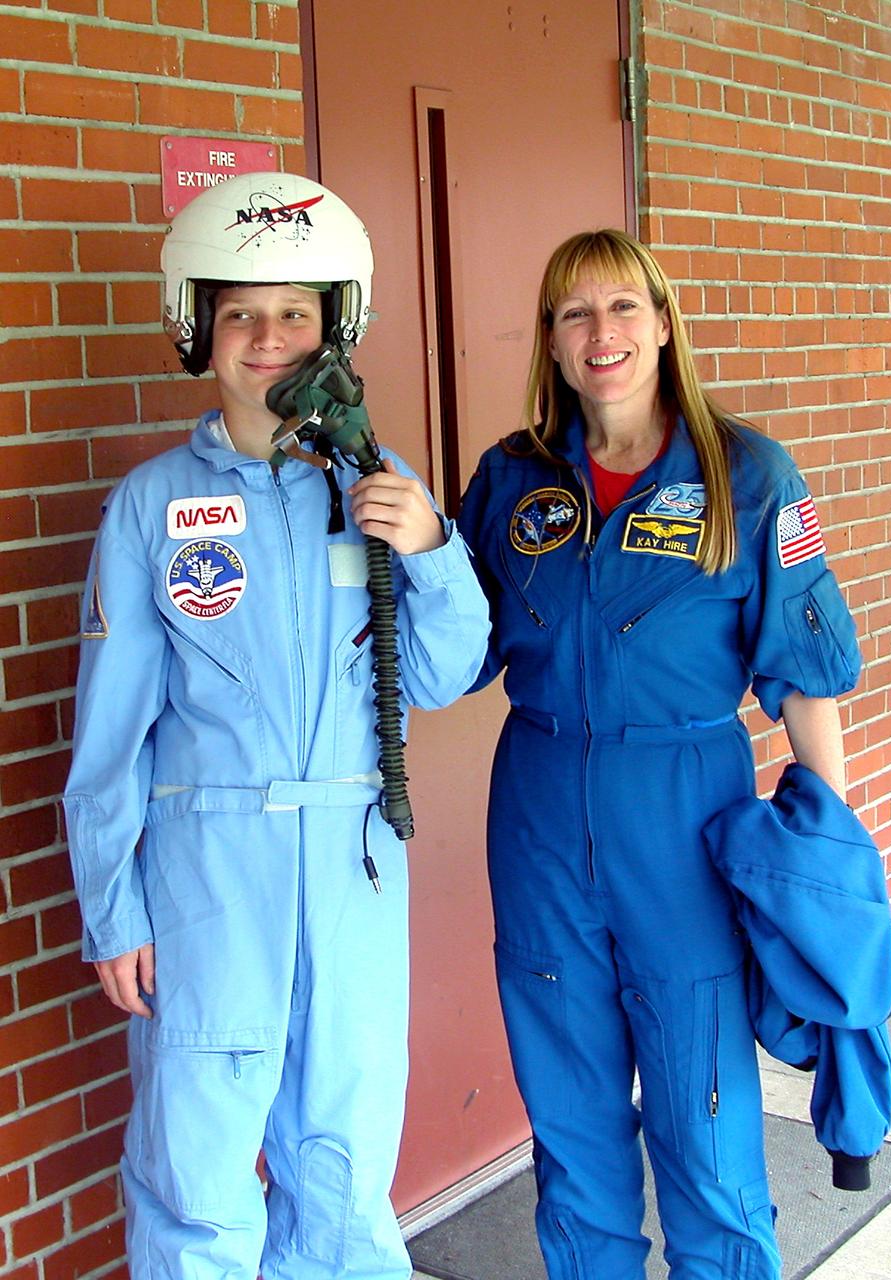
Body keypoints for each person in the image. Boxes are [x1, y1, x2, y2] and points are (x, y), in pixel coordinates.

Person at [63, 171, 490, 1280]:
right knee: (197, 1180)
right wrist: (111, 907)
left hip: (352, 873)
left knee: (342, 1178)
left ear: (335, 326)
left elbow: (444, 676)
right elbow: (109, 735)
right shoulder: (153, 505)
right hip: (211, 878)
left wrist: (434, 550)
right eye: (241, 312)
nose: (267, 337)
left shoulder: (379, 482)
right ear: (197, 328)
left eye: (295, 311)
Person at [457, 229, 863, 1279]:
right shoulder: (512, 481)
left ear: (664, 321)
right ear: (549, 340)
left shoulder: (748, 475)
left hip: (685, 813)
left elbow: (808, 686)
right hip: (540, 811)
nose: (604, 333)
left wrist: (824, 863)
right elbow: (452, 645)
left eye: (625, 306)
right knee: (572, 1116)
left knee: (704, 1110)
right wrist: (412, 545)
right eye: (576, 312)